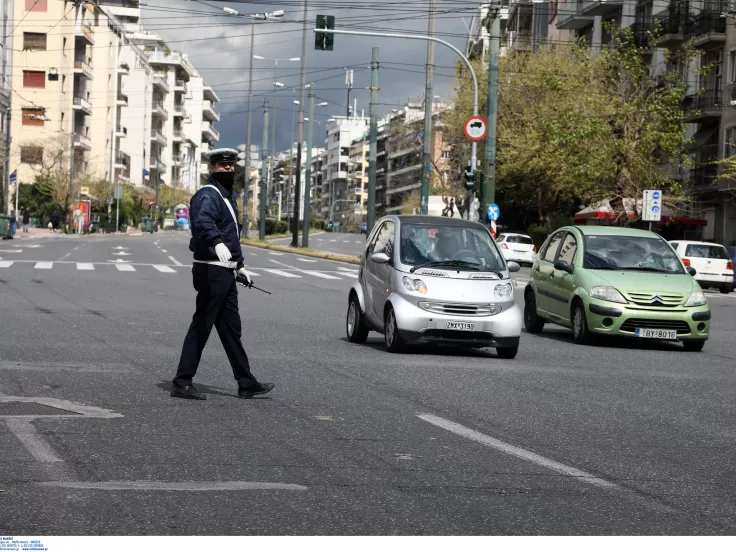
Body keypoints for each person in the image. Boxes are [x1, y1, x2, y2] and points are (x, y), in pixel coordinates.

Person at [171, 147, 274, 401]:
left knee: (230, 329)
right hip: (210, 271)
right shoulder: (209, 195)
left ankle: (246, 382)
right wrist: (216, 242)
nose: (228, 168)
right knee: (202, 325)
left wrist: (240, 266)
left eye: (231, 165)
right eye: (222, 165)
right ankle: (182, 382)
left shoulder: (227, 197)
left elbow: (232, 237)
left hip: (224, 272)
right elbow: (204, 221)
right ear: (213, 168)